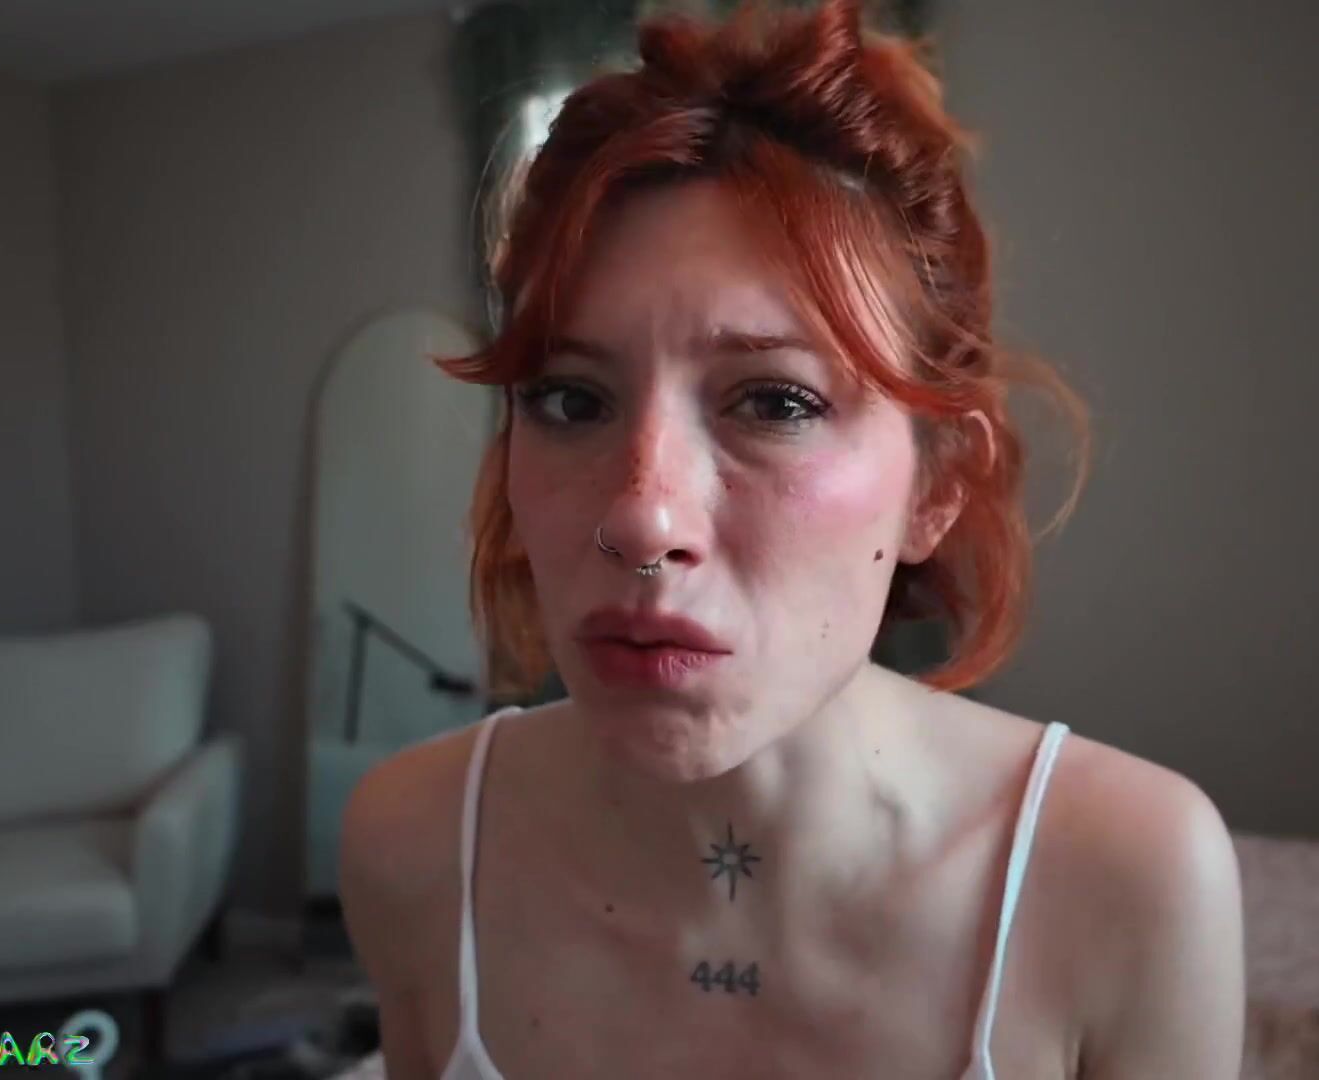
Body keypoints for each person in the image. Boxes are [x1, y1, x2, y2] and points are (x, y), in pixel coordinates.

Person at [339, 1, 1245, 1076]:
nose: (643, 519)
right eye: (571, 400)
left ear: (938, 484)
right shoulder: (412, 844)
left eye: (774, 402)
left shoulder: (1128, 875)